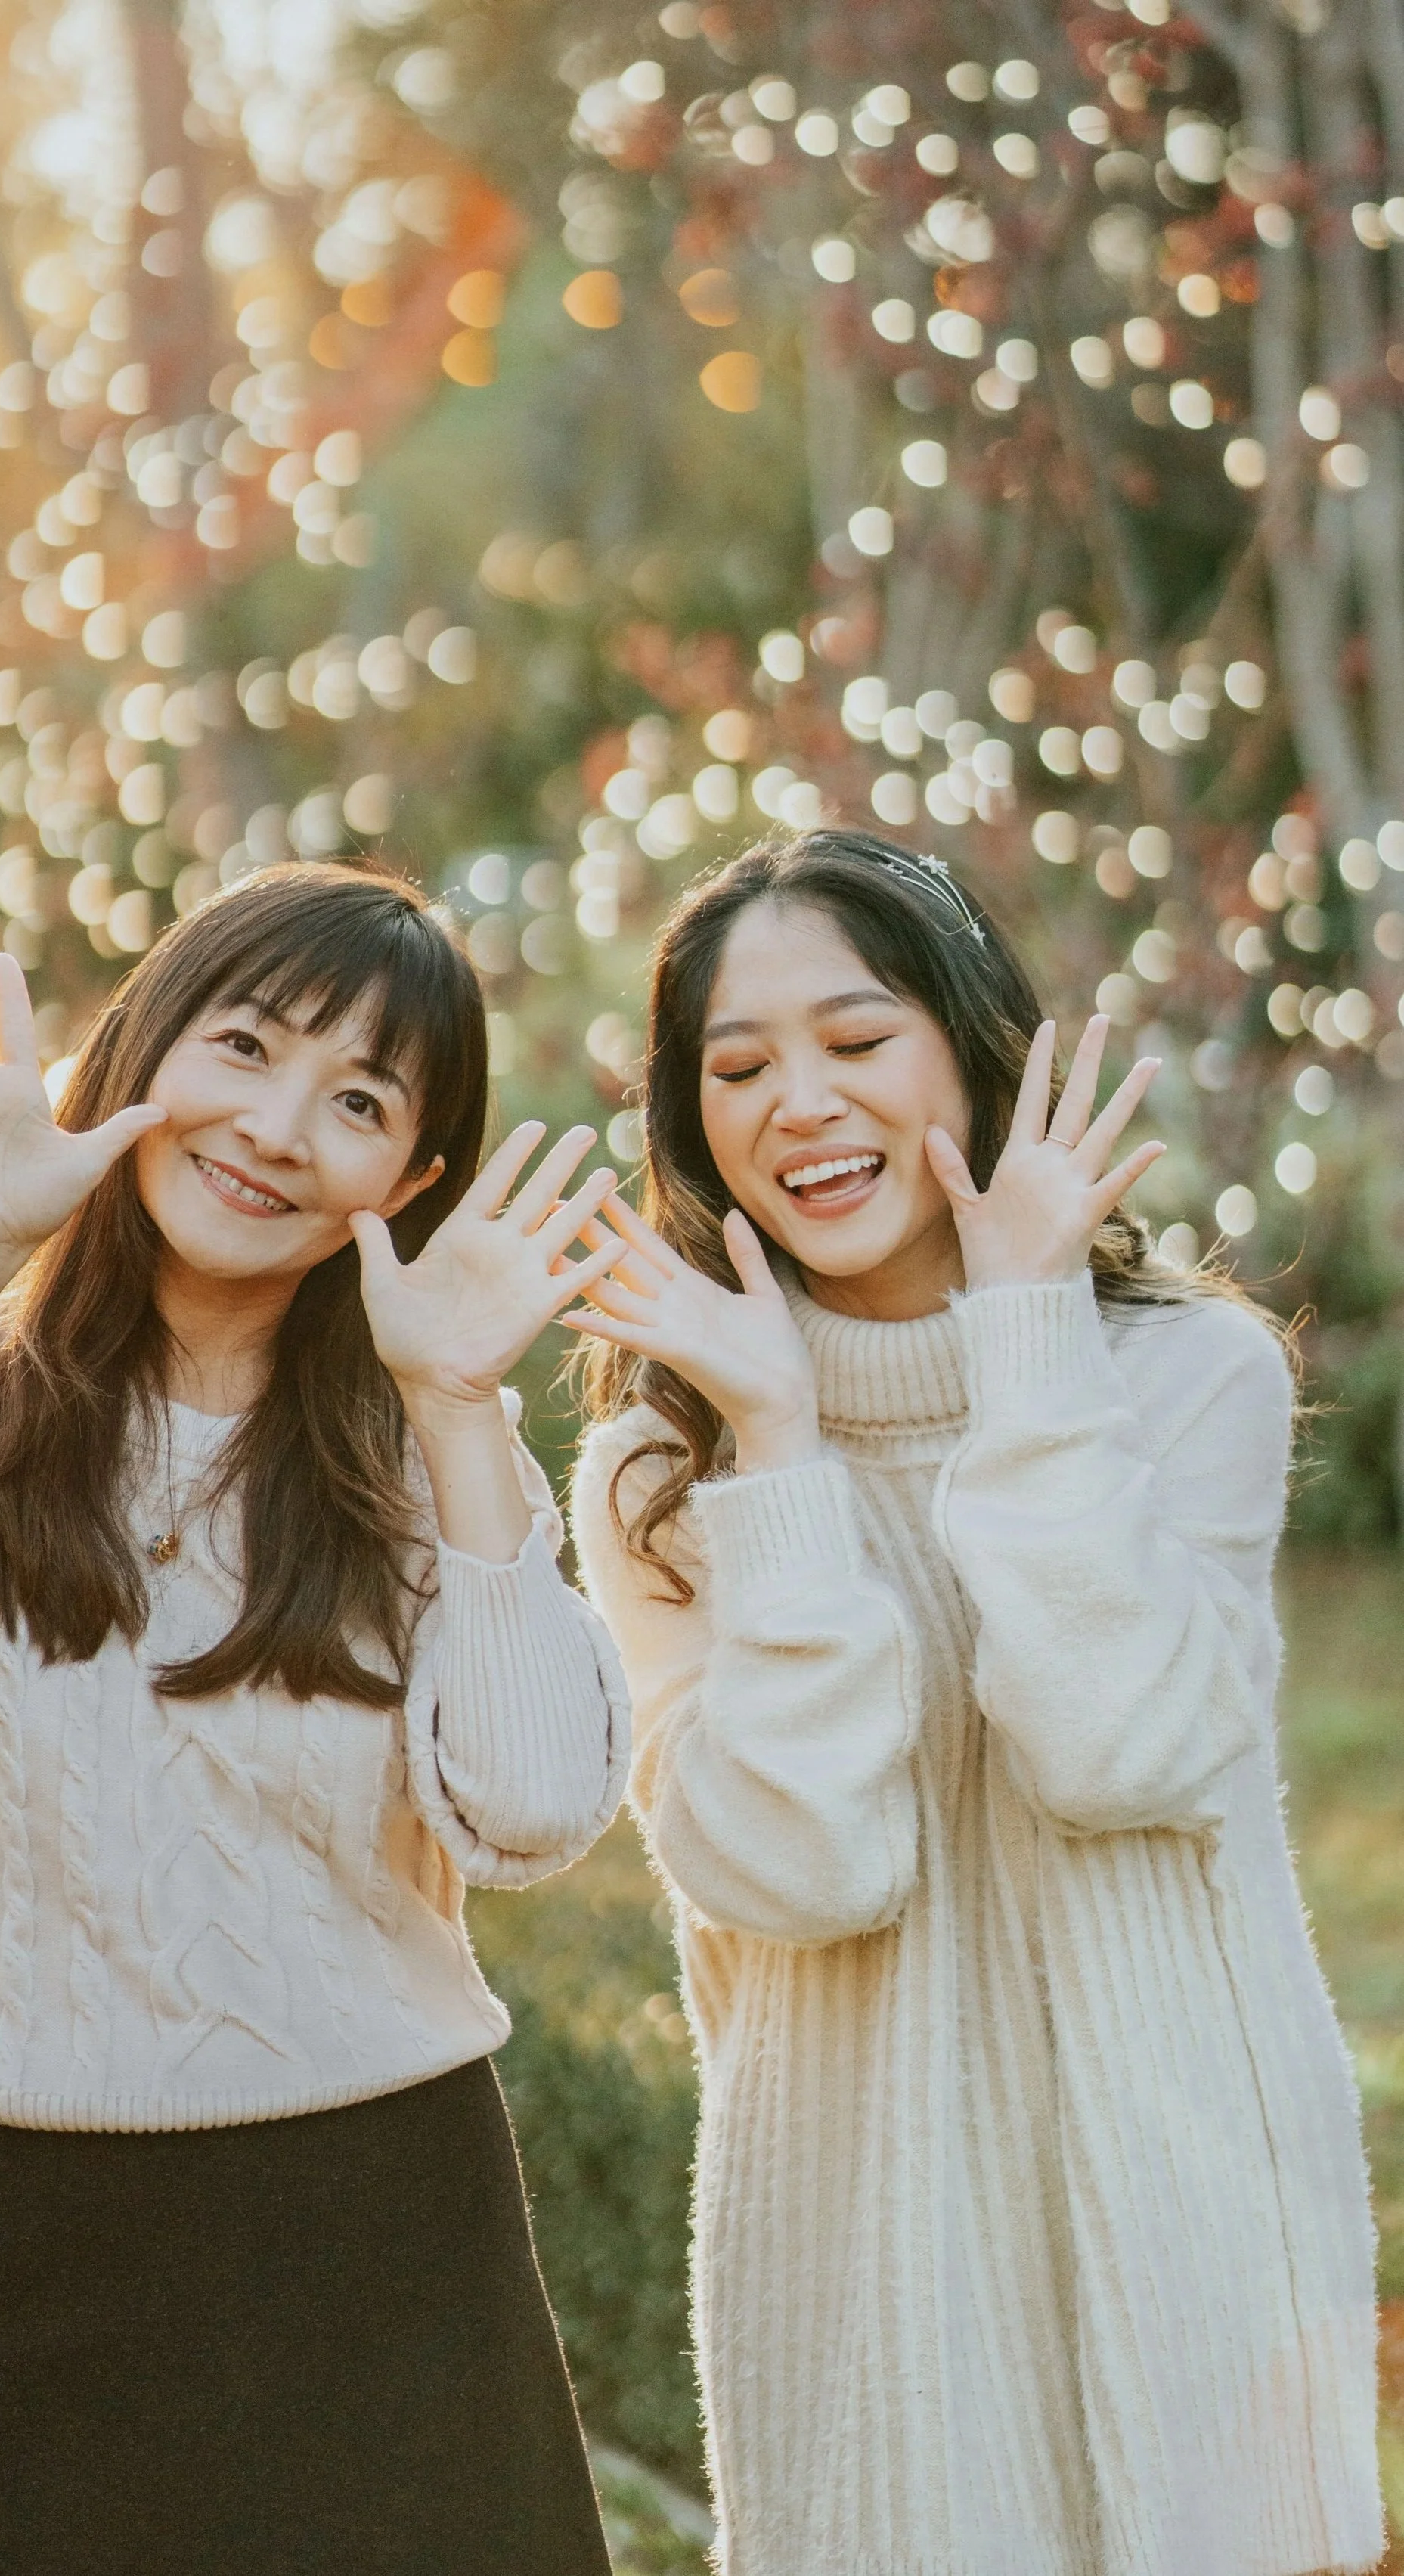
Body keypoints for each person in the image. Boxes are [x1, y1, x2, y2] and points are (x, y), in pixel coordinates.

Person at [0, 859, 631, 2576]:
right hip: (15, 2228)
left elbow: (539, 1806)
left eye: (355, 1100)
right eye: (244, 1045)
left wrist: (464, 1407)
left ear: (409, 1177)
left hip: (382, 2228)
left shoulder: (417, 1470)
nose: (276, 1126)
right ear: (137, 1050)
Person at [567, 830, 1381, 2576]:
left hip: (1194, 2251)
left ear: (968, 1044)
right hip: (869, 2266)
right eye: (738, 1064)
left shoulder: (1183, 1375)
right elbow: (806, 1867)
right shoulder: (661, 1463)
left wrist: (1028, 1340)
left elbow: (1117, 1748)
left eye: (856, 1041)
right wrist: (776, 1445)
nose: (800, 1101)